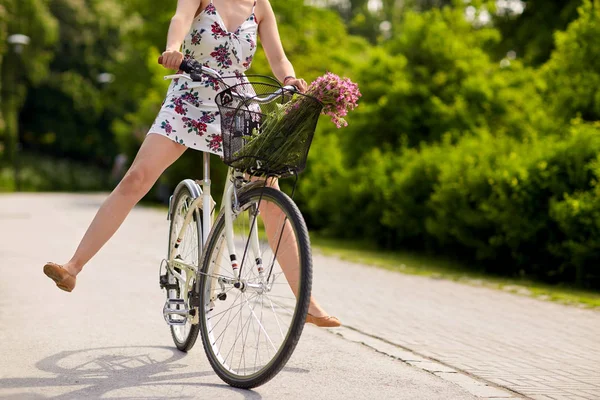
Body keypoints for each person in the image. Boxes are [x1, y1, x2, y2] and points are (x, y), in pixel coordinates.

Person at [43, 0, 341, 328]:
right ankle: (73, 267)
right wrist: (173, 49)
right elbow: (180, 19)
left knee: (269, 196)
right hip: (190, 97)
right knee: (137, 177)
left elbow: (278, 55)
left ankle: (307, 303)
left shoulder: (261, 5)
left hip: (238, 104)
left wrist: (290, 78)